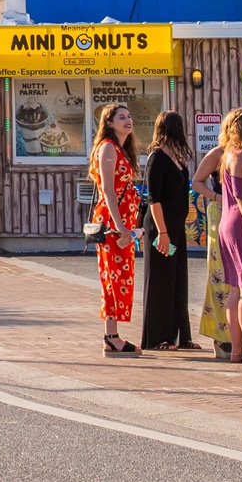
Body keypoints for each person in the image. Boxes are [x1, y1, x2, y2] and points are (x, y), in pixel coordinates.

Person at [196, 107, 242, 363]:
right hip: (235, 217)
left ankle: (237, 348)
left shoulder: (235, 154)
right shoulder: (234, 154)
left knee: (236, 287)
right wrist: (217, 197)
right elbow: (197, 182)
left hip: (228, 218)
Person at [140, 111, 196, 351]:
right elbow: (154, 199)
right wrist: (162, 232)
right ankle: (157, 337)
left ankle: (181, 336)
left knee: (177, 280)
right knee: (160, 281)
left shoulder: (177, 158)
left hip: (176, 227)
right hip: (160, 228)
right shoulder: (157, 157)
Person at [87, 101, 140, 355]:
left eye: (129, 116)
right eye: (121, 117)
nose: (128, 120)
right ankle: (111, 336)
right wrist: (120, 226)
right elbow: (107, 189)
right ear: (109, 123)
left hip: (122, 223)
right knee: (112, 278)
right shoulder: (107, 148)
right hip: (112, 224)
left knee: (121, 278)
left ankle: (113, 333)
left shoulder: (120, 148)